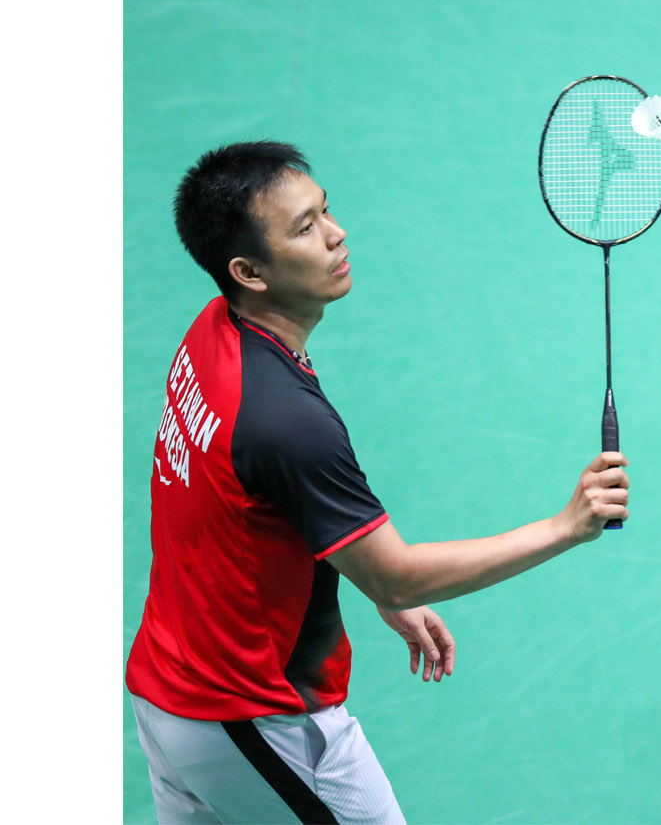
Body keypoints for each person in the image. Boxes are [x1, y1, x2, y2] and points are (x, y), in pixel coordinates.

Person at [126, 141, 632, 824]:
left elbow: (250, 510)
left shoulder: (214, 332)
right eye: (304, 228)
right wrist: (566, 526)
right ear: (248, 270)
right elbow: (397, 574)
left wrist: (365, 576)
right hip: (250, 716)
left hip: (172, 691)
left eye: (325, 210)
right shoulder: (283, 419)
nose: (336, 234)